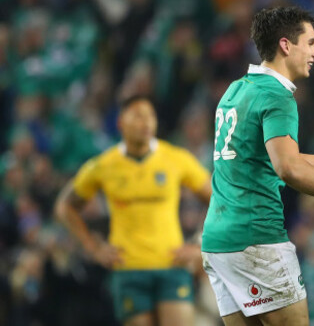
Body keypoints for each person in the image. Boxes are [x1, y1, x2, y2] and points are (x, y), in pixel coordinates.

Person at [201, 6, 314, 326]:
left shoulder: (236, 90)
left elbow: (279, 158)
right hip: (256, 238)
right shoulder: (277, 96)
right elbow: (289, 170)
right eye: (310, 43)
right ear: (286, 45)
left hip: (218, 241)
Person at [55, 95, 212, 326]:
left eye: (150, 116)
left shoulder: (176, 159)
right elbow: (65, 206)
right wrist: (93, 248)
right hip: (128, 269)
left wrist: (201, 244)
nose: (146, 122)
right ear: (120, 123)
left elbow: (219, 199)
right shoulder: (103, 166)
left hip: (172, 265)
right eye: (138, 116)